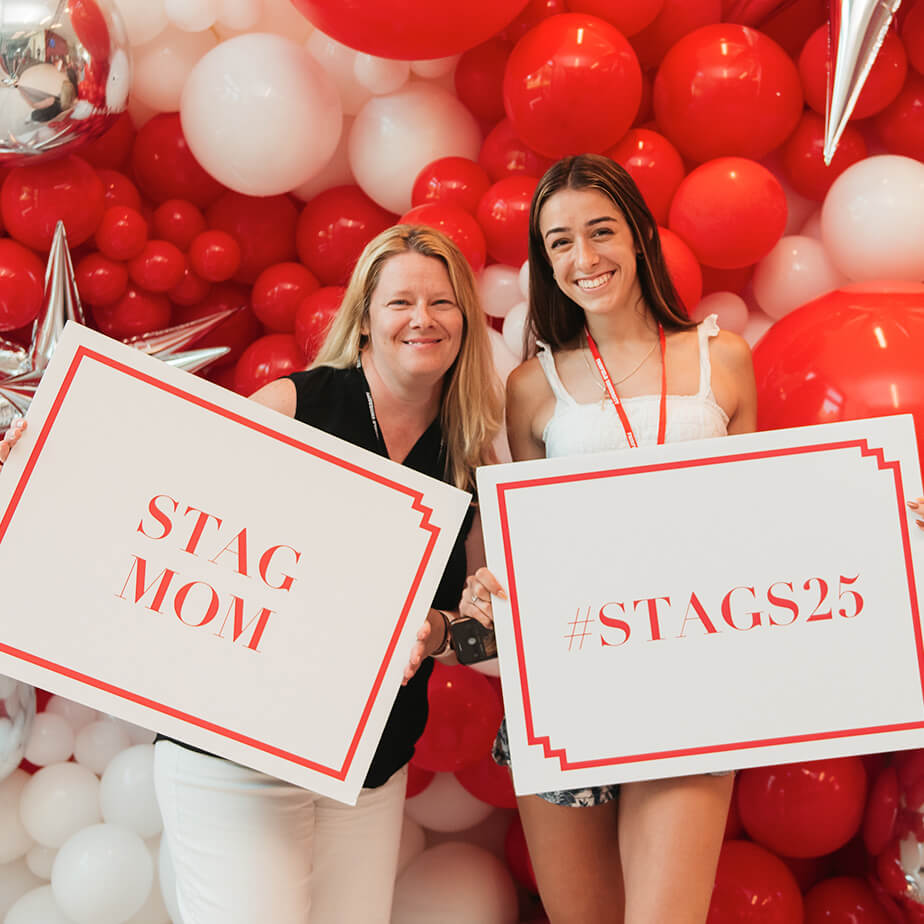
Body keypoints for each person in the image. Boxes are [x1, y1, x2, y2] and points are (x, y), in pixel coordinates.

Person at [0, 225, 501, 924]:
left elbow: (479, 632)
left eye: (442, 303)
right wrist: (43, 462)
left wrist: (441, 628)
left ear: (465, 323)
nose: (423, 319)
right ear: (363, 320)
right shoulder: (293, 408)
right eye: (401, 302)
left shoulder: (467, 454)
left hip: (370, 769)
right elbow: (159, 510)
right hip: (237, 760)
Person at [457, 153, 756, 924]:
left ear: (640, 236)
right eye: (559, 243)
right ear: (543, 261)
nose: (584, 260)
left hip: (692, 678)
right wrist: (495, 584)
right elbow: (536, 546)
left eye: (600, 232)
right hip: (566, 687)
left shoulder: (720, 361)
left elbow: (765, 524)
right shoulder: (533, 387)